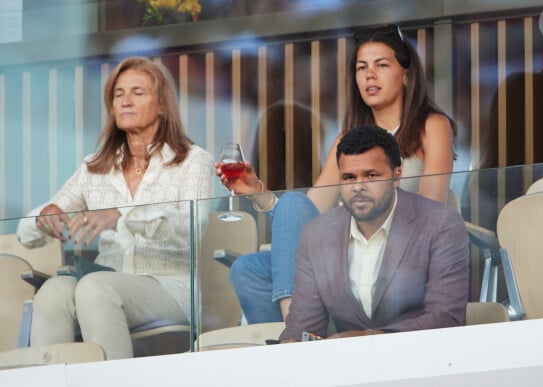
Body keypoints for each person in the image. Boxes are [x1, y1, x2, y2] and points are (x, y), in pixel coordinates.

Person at [216, 24, 456, 323]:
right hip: (343, 256)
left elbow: (431, 205)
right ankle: (299, 336)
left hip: (398, 252)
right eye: (361, 67)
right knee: (248, 268)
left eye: (381, 65)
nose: (369, 75)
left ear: (406, 73)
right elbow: (308, 213)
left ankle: (299, 333)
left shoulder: (431, 126)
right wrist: (258, 193)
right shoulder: (347, 140)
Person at [18, 56, 213, 360]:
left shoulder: (192, 160)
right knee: (53, 291)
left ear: (162, 104)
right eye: (118, 94)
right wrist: (44, 216)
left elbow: (192, 227)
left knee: (94, 287)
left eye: (137, 93)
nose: (125, 101)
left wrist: (123, 217)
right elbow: (28, 233)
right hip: (104, 282)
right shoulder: (95, 167)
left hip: (169, 287)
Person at [279, 125, 469, 341]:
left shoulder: (441, 224)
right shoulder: (316, 235)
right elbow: (304, 326)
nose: (358, 186)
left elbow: (446, 318)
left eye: (371, 175)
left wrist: (367, 338)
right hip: (345, 368)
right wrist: (290, 346)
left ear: (397, 176)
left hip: (422, 361)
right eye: (349, 178)